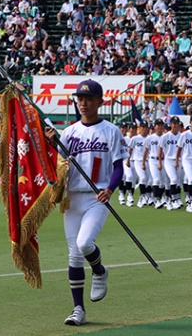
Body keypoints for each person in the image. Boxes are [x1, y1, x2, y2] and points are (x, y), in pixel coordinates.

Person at [45, 80, 129, 326]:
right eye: (80, 99)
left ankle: (100, 270)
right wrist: (53, 144)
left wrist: (110, 189)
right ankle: (78, 310)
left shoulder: (111, 130)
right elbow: (60, 166)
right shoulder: (69, 132)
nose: (83, 103)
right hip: (72, 198)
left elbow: (118, 166)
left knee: (84, 243)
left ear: (100, 102)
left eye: (89, 99)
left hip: (97, 198)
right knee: (73, 256)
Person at [159, 116, 184, 210]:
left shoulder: (181, 136)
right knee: (172, 179)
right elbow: (160, 149)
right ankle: (173, 200)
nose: (176, 125)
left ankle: (171, 199)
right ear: (171, 124)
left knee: (177, 181)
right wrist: (160, 162)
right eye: (174, 123)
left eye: (177, 123)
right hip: (169, 161)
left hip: (179, 160)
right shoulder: (166, 136)